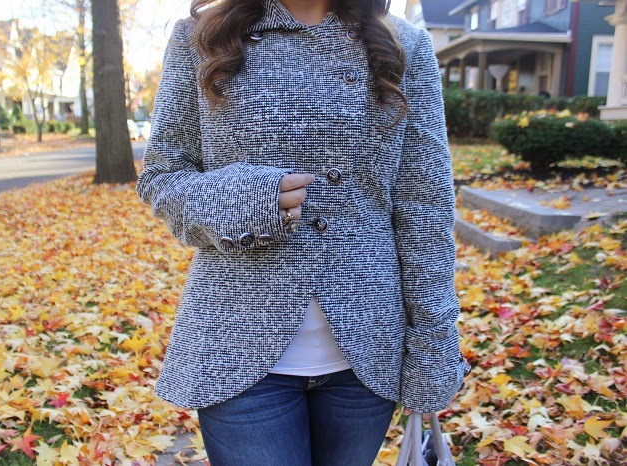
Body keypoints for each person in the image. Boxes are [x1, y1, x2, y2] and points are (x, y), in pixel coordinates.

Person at [136, 0, 471, 464]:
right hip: (237, 340)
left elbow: (424, 206)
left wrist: (434, 341)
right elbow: (161, 177)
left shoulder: (403, 43)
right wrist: (247, 199)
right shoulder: (204, 36)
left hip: (367, 348)